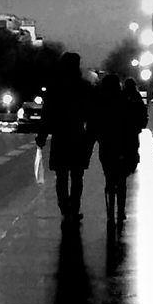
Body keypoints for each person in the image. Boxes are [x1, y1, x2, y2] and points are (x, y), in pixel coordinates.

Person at [34, 51, 94, 225]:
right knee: (77, 176)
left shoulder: (55, 88)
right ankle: (74, 208)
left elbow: (47, 114)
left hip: (60, 136)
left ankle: (64, 207)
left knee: (61, 176)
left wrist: (42, 136)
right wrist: (90, 136)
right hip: (77, 135)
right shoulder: (84, 87)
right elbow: (91, 113)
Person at [90, 74, 146, 231]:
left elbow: (94, 125)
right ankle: (120, 211)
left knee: (109, 177)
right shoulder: (125, 100)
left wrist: (91, 143)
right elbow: (137, 121)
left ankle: (110, 211)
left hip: (107, 145)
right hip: (123, 145)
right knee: (121, 180)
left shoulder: (100, 102)